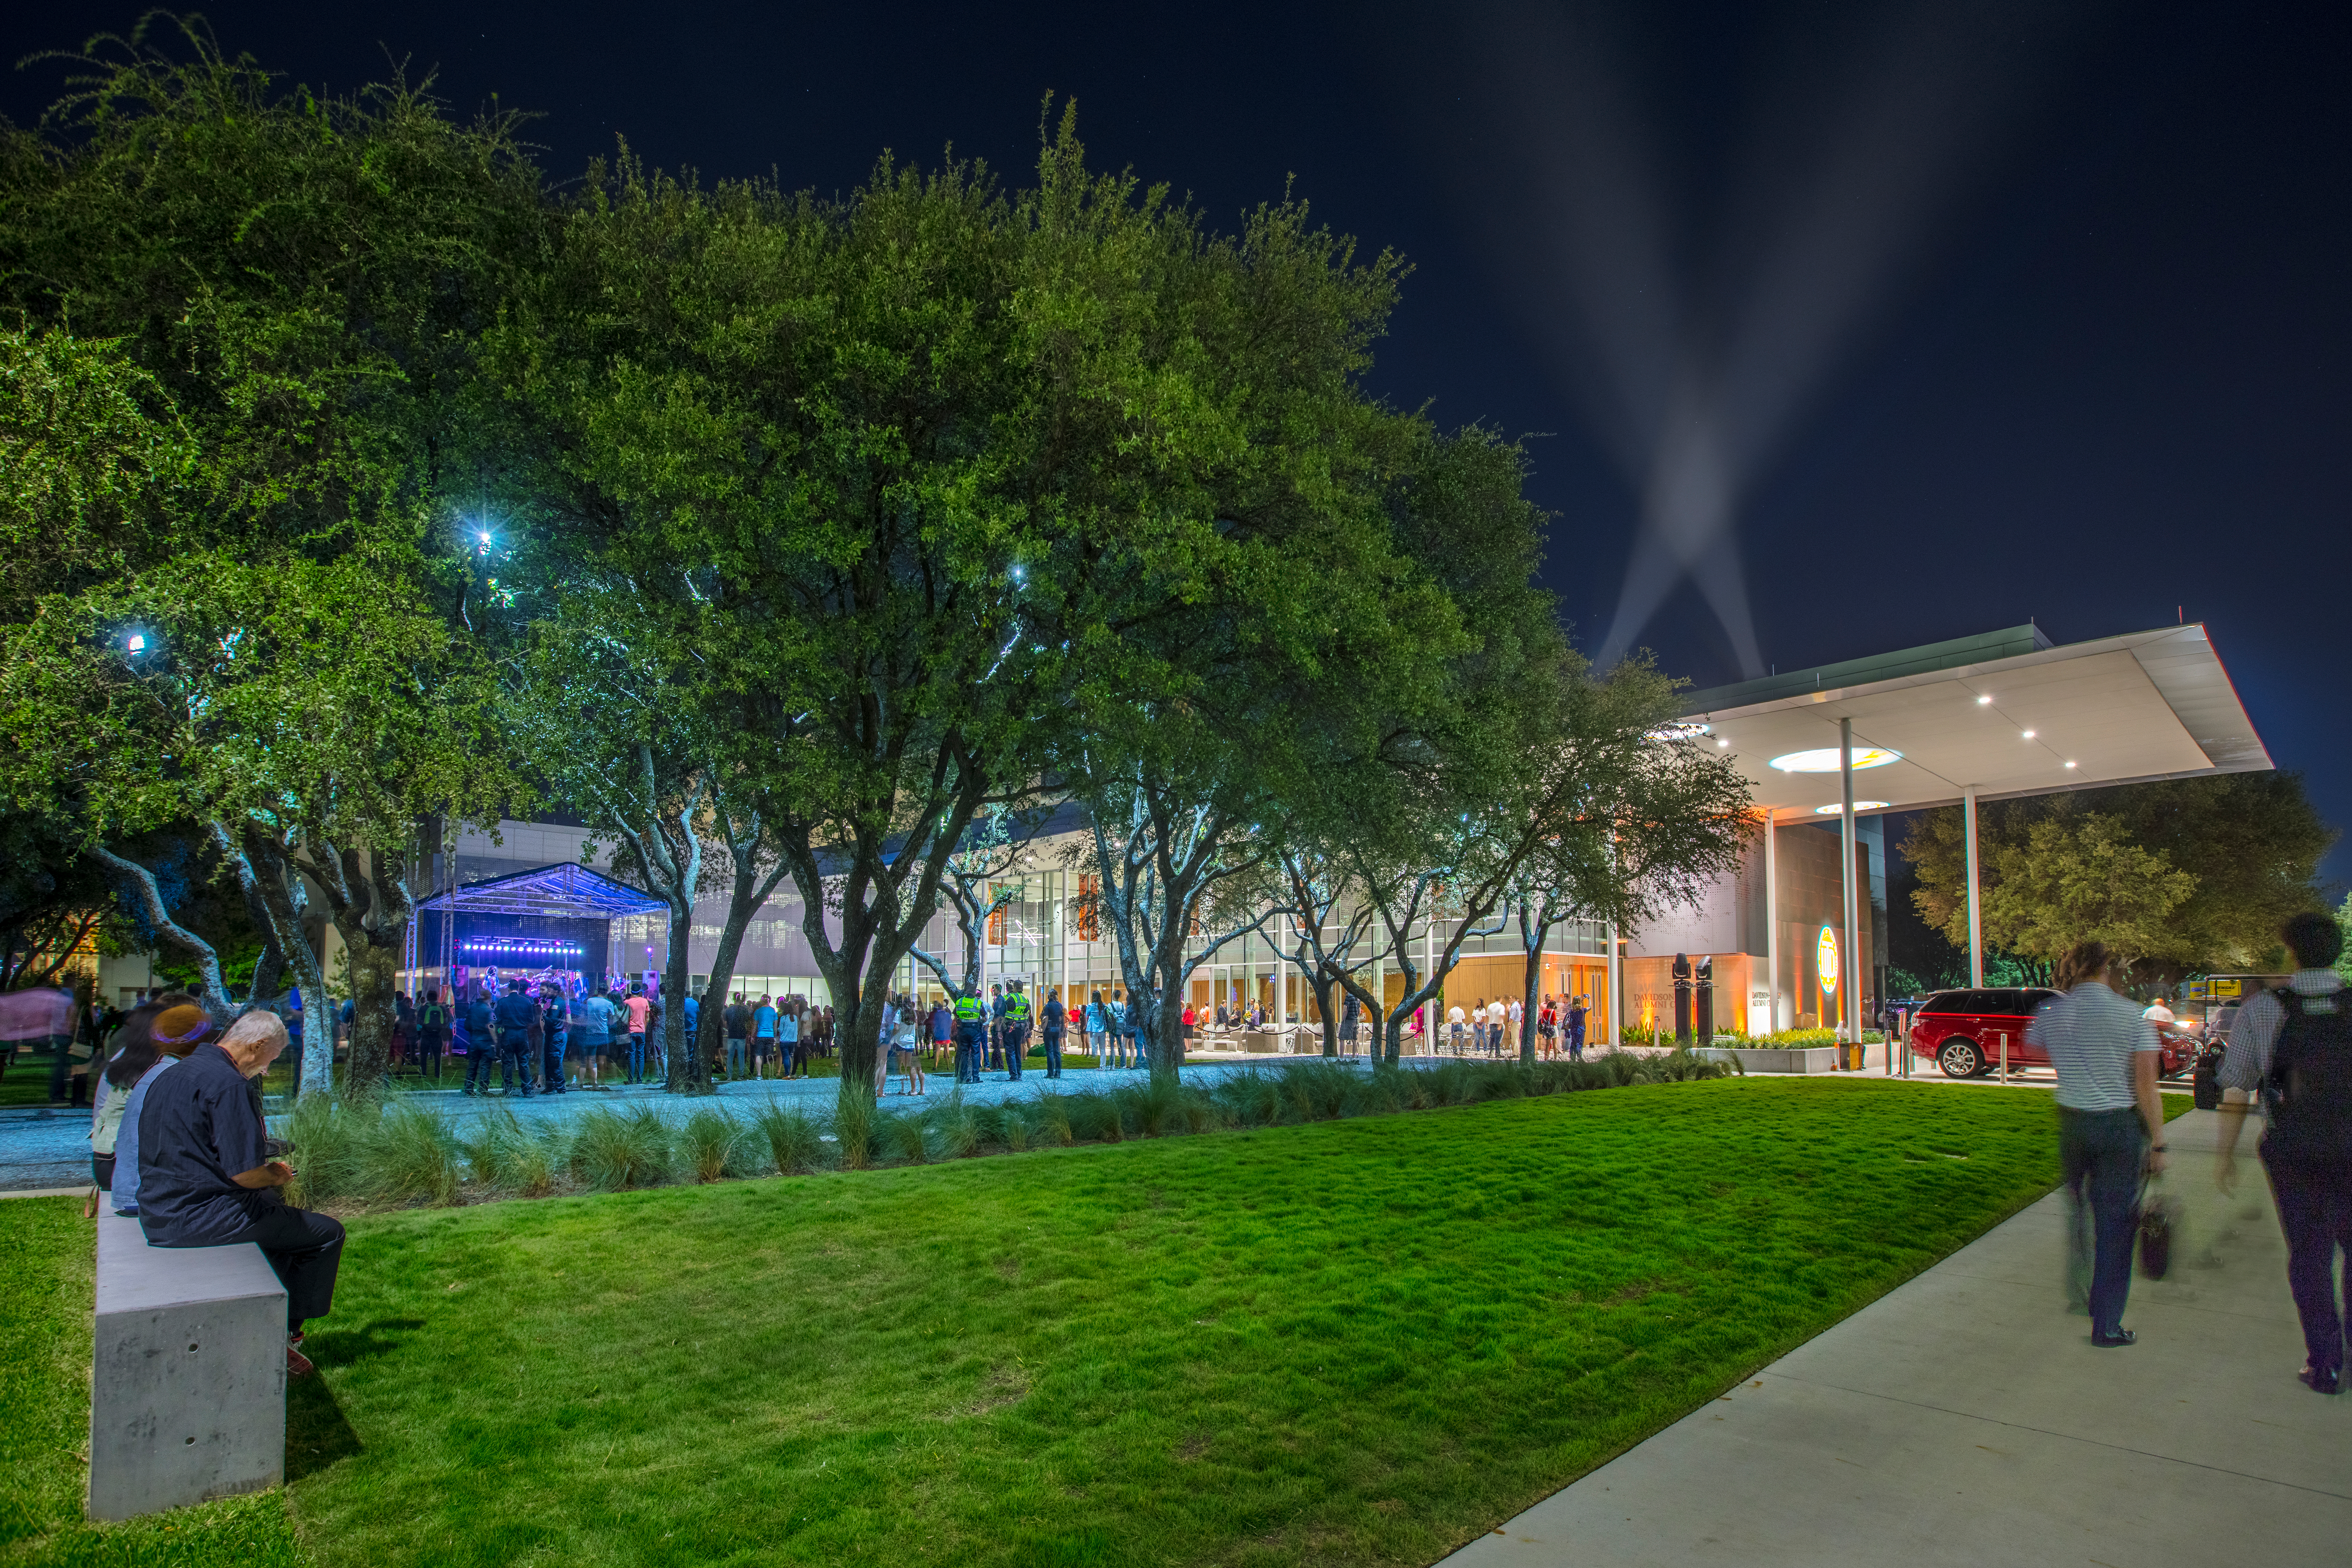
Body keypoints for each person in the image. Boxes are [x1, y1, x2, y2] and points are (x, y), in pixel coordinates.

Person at [135, 1009, 343, 1378]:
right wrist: (278, 1175)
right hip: (202, 1216)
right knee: (326, 1234)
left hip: (160, 1209)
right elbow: (245, 1174)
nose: (266, 1069)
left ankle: (269, 1320)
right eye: (271, 1058)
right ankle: (289, 1332)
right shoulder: (229, 1084)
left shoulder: (171, 1075)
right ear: (258, 1045)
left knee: (277, 1217)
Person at [2215, 911, 2352, 1395]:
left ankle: (2325, 1363)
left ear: (2292, 952)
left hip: (2293, 1149)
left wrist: (2224, 1154)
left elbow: (2236, 1085)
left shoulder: (2262, 1009)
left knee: (2309, 1254)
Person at [2025, 938, 2168, 1348]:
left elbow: (2035, 1046)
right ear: (2107, 967)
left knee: (2078, 1209)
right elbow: (2146, 1084)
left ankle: (2083, 1289)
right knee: (2115, 1225)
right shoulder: (2131, 1015)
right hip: (2116, 1127)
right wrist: (2158, 1141)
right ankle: (2106, 1322)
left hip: (2072, 1124)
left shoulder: (2052, 1012)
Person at [492, 979, 540, 1096]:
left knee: (508, 1064)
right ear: (518, 989)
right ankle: (527, 1091)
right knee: (524, 1063)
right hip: (522, 1035)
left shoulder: (503, 1002)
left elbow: (497, 1020)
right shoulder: (527, 1002)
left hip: (508, 1035)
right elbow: (531, 1020)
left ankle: (507, 1091)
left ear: (509, 988)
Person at [571, 987, 611, 1088]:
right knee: (596, 1061)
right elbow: (612, 1019)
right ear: (606, 992)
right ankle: (596, 1083)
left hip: (589, 1035)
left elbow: (580, 1019)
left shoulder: (589, 1002)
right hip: (602, 1034)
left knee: (584, 1061)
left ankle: (581, 1083)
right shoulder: (608, 1003)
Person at [461, 985, 497, 1097]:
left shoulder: (473, 1008)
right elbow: (490, 1026)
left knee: (473, 1066)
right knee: (485, 1066)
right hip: (486, 1042)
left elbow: (467, 1025)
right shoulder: (489, 1010)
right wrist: (496, 1040)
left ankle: (468, 1089)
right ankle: (482, 1090)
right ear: (490, 998)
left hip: (475, 1040)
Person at [539, 984, 568, 1093]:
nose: (548, 993)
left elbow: (553, 1020)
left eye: (550, 991)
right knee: (548, 1061)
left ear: (556, 992)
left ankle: (560, 1088)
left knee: (555, 1061)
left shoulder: (557, 1003)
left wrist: (544, 1017)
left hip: (555, 1036)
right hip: (551, 1036)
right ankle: (550, 1086)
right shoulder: (553, 1002)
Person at [415, 988, 448, 1083]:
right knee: (438, 1057)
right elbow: (446, 1021)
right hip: (438, 1035)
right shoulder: (441, 1008)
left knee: (424, 1056)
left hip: (426, 1035)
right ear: (437, 998)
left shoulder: (424, 1008)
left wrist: (422, 1031)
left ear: (428, 998)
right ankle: (438, 1074)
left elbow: (419, 1022)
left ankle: (423, 1074)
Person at [623, 986, 651, 1084]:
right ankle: (640, 1080)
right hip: (642, 1031)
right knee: (641, 1055)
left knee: (631, 1055)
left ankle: (630, 1080)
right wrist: (644, 1027)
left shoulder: (627, 1002)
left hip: (631, 1031)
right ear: (640, 992)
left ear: (631, 992)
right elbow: (647, 1017)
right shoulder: (645, 1002)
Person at [1003, 981, 1030, 1081]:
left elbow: (1004, 1012)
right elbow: (1027, 1014)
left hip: (1010, 1027)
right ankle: (1019, 1074)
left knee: (1010, 1051)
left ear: (1014, 988)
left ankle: (1014, 1075)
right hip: (1021, 1029)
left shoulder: (1011, 998)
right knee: (1018, 1051)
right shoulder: (1026, 1000)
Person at [723, 993, 751, 1080]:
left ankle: (729, 1076)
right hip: (741, 1036)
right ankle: (741, 1075)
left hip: (731, 1035)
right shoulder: (745, 1010)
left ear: (734, 999)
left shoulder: (729, 1010)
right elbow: (748, 1023)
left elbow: (725, 1023)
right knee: (741, 1056)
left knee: (730, 1056)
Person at [1043, 987, 1068, 1079]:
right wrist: (1061, 1031)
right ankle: (1058, 1073)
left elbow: (1044, 1018)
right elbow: (1062, 1018)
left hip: (1049, 1030)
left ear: (1050, 996)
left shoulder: (1047, 1006)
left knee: (1050, 1052)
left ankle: (1051, 1074)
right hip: (1058, 1030)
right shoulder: (1060, 1006)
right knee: (1057, 1052)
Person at [778, 998, 803, 1079]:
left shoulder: (783, 1018)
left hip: (785, 1040)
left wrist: (779, 1031)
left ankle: (787, 1074)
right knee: (790, 1056)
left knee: (786, 1057)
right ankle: (791, 1072)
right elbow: (798, 1029)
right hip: (793, 1040)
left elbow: (781, 1030)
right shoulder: (795, 1018)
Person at [1086, 990, 1108, 1069]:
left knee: (1094, 1048)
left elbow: (1087, 1015)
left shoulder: (1090, 1006)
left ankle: (1093, 1062)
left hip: (1093, 1030)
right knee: (1103, 1050)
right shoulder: (1103, 1005)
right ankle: (1103, 1066)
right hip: (1102, 1030)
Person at [1568, 996, 1588, 1062]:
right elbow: (1590, 1007)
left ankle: (1572, 1058)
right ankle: (1580, 1058)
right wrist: (1589, 999)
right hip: (1580, 1029)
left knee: (1573, 1043)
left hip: (1573, 1029)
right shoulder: (1582, 1010)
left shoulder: (1572, 1011)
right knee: (1579, 1043)